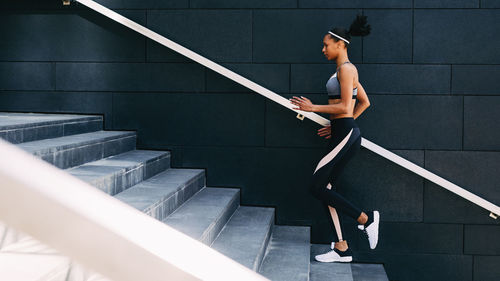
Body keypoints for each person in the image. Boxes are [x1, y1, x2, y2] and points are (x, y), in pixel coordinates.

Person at [290, 14, 379, 263]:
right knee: (325, 188)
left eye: (326, 44)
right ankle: (342, 248)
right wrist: (338, 123)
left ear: (340, 44)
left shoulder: (347, 69)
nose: (323, 49)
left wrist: (313, 108)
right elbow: (364, 102)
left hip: (346, 133)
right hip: (343, 131)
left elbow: (343, 107)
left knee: (316, 186)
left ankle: (366, 219)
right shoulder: (343, 71)